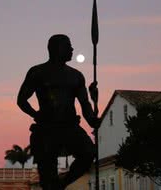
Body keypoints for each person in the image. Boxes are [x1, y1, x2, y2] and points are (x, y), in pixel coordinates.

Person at [17, 34, 100, 189]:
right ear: (55, 49)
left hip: (70, 127)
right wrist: (36, 114)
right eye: (68, 46)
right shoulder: (37, 72)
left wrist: (95, 103)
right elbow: (21, 100)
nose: (72, 49)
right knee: (47, 176)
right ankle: (54, 186)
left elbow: (86, 108)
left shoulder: (76, 76)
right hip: (46, 128)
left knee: (88, 153)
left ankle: (62, 184)